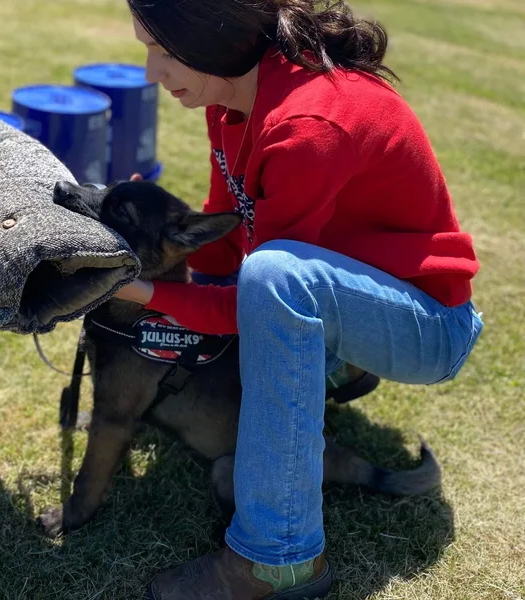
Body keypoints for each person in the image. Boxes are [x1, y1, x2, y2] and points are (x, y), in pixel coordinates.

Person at [113, 1, 484, 598]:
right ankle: (328, 375)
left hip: (428, 325)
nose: (152, 71)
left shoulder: (307, 127)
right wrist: (167, 262)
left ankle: (277, 562)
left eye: (163, 50)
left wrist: (145, 291)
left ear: (215, 38)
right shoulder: (233, 98)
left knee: (273, 280)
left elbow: (261, 292)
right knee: (259, 278)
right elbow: (228, 237)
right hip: (354, 294)